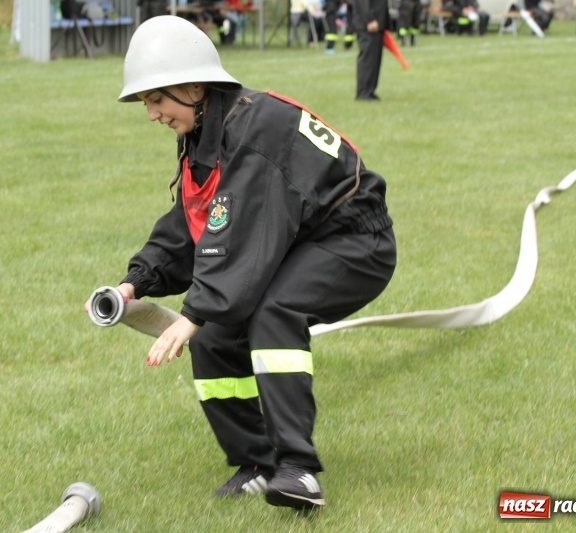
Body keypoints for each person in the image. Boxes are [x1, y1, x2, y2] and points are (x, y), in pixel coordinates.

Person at [105, 15, 396, 510]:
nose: (151, 114)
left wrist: (194, 312)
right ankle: (257, 464)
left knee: (273, 312)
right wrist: (136, 281)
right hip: (299, 237)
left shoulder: (254, 130)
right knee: (214, 337)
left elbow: (240, 237)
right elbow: (192, 222)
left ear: (193, 87)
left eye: (155, 99)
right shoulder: (207, 131)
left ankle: (297, 471)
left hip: (355, 241)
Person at [351, 0, 390, 100]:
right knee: (367, 58)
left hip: (378, 23)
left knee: (375, 59)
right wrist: (369, 20)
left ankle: (370, 90)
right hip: (368, 24)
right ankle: (363, 91)